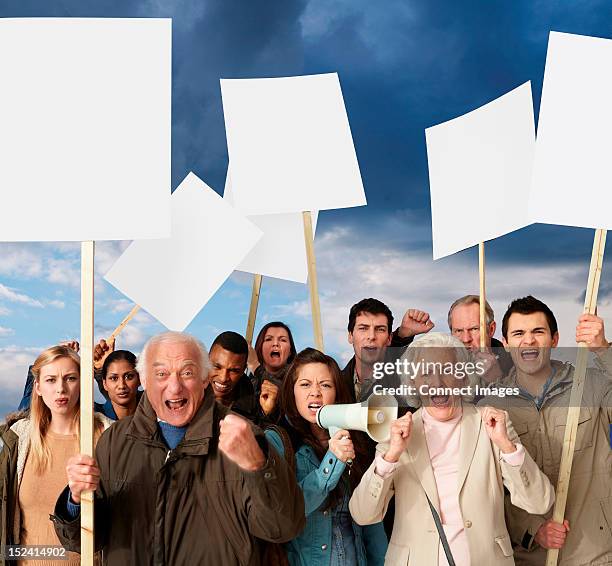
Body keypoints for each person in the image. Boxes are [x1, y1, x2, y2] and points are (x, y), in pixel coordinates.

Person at [51, 331, 305, 565]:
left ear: (205, 378)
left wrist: (258, 468)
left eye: (187, 373)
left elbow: (281, 528)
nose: (174, 387)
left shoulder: (244, 437)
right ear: (145, 381)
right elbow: (82, 541)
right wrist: (76, 499)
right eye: (161, 374)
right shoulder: (114, 441)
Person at [350, 333, 555, 565]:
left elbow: (540, 502)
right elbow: (363, 514)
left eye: (447, 370)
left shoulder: (491, 423)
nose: (437, 383)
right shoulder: (398, 434)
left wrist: (507, 447)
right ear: (413, 382)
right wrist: (390, 457)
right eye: (426, 373)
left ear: (463, 377)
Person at [479, 296, 612, 566]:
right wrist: (532, 529)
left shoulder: (594, 385)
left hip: (594, 554)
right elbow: (490, 491)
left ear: (554, 339)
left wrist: (604, 349)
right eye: (518, 333)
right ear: (505, 344)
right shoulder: (490, 406)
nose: (528, 340)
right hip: (530, 558)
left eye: (537, 331)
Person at [265, 348, 388, 565]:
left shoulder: (354, 439)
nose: (315, 393)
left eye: (325, 385)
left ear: (337, 393)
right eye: (305, 384)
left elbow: (370, 522)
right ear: (291, 391)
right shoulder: (278, 442)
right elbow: (286, 512)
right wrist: (331, 463)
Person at [0, 345, 112, 566]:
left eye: (70, 378)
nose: (61, 389)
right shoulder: (20, 439)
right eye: (51, 380)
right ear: (38, 386)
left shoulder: (107, 436)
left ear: (82, 383)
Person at [343, 298, 434, 403]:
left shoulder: (409, 382)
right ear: (350, 336)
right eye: (363, 328)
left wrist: (402, 335)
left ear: (389, 338)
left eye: (380, 329)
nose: (371, 336)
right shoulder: (335, 382)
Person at [448, 294, 513, 380]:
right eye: (459, 331)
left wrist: (497, 379)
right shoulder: (442, 365)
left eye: (474, 329)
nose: (466, 339)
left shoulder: (516, 366)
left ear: (491, 329)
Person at [209, 331, 262, 423]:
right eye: (217, 367)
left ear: (243, 370)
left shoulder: (255, 406)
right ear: (206, 360)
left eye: (233, 371)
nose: (223, 378)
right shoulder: (186, 394)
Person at [249, 321, 298, 418]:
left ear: (290, 352)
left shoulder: (298, 379)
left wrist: (256, 367)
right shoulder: (248, 384)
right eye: (268, 339)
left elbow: (287, 396)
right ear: (259, 348)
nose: (275, 344)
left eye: (283, 340)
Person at [97, 350, 142, 420]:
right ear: (104, 384)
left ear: (139, 379)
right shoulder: (95, 418)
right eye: (113, 378)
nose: (122, 386)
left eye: (129, 377)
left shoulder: (154, 411)